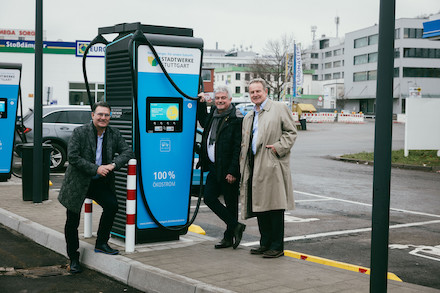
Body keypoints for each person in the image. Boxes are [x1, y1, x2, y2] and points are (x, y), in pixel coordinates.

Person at [58, 101, 134, 273]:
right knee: (72, 221)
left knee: (112, 205)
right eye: (100, 114)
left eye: (106, 115)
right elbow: (73, 157)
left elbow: (128, 152)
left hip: (99, 182)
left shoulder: (113, 133)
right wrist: (96, 168)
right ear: (92, 115)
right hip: (78, 182)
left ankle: (101, 243)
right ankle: (74, 257)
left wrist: (113, 165)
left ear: (110, 117)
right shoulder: (80, 132)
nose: (103, 118)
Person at [239, 78, 297, 258]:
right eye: (252, 92)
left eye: (258, 91)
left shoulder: (278, 108)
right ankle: (265, 243)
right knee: (260, 206)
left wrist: (278, 148)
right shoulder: (249, 116)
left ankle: (277, 246)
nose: (255, 95)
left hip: (271, 165)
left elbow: (291, 132)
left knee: (274, 207)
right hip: (254, 164)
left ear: (266, 92)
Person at [197, 86, 246, 249]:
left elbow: (237, 148)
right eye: (217, 98)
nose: (220, 100)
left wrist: (233, 171)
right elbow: (203, 121)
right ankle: (235, 226)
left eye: (223, 98)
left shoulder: (236, 119)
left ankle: (228, 237)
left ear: (230, 100)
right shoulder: (214, 114)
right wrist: (201, 103)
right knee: (209, 198)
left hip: (228, 169)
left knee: (231, 204)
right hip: (214, 167)